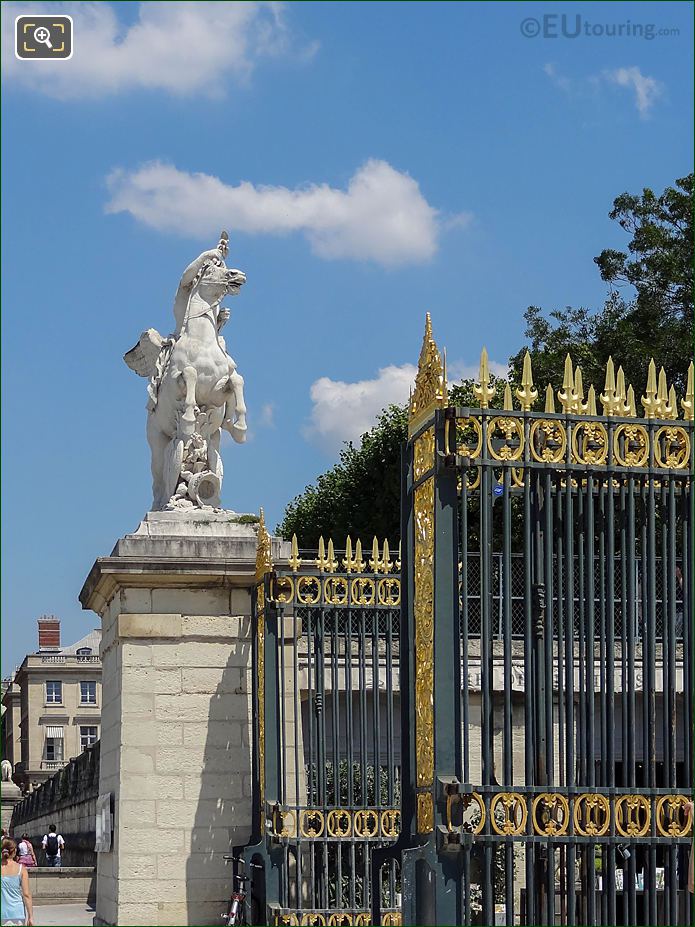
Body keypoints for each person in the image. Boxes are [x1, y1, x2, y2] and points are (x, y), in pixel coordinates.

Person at [1, 838, 33, 926]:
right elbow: (26, 894)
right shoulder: (21, 869)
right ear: (15, 851)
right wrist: (31, 917)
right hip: (17, 913)